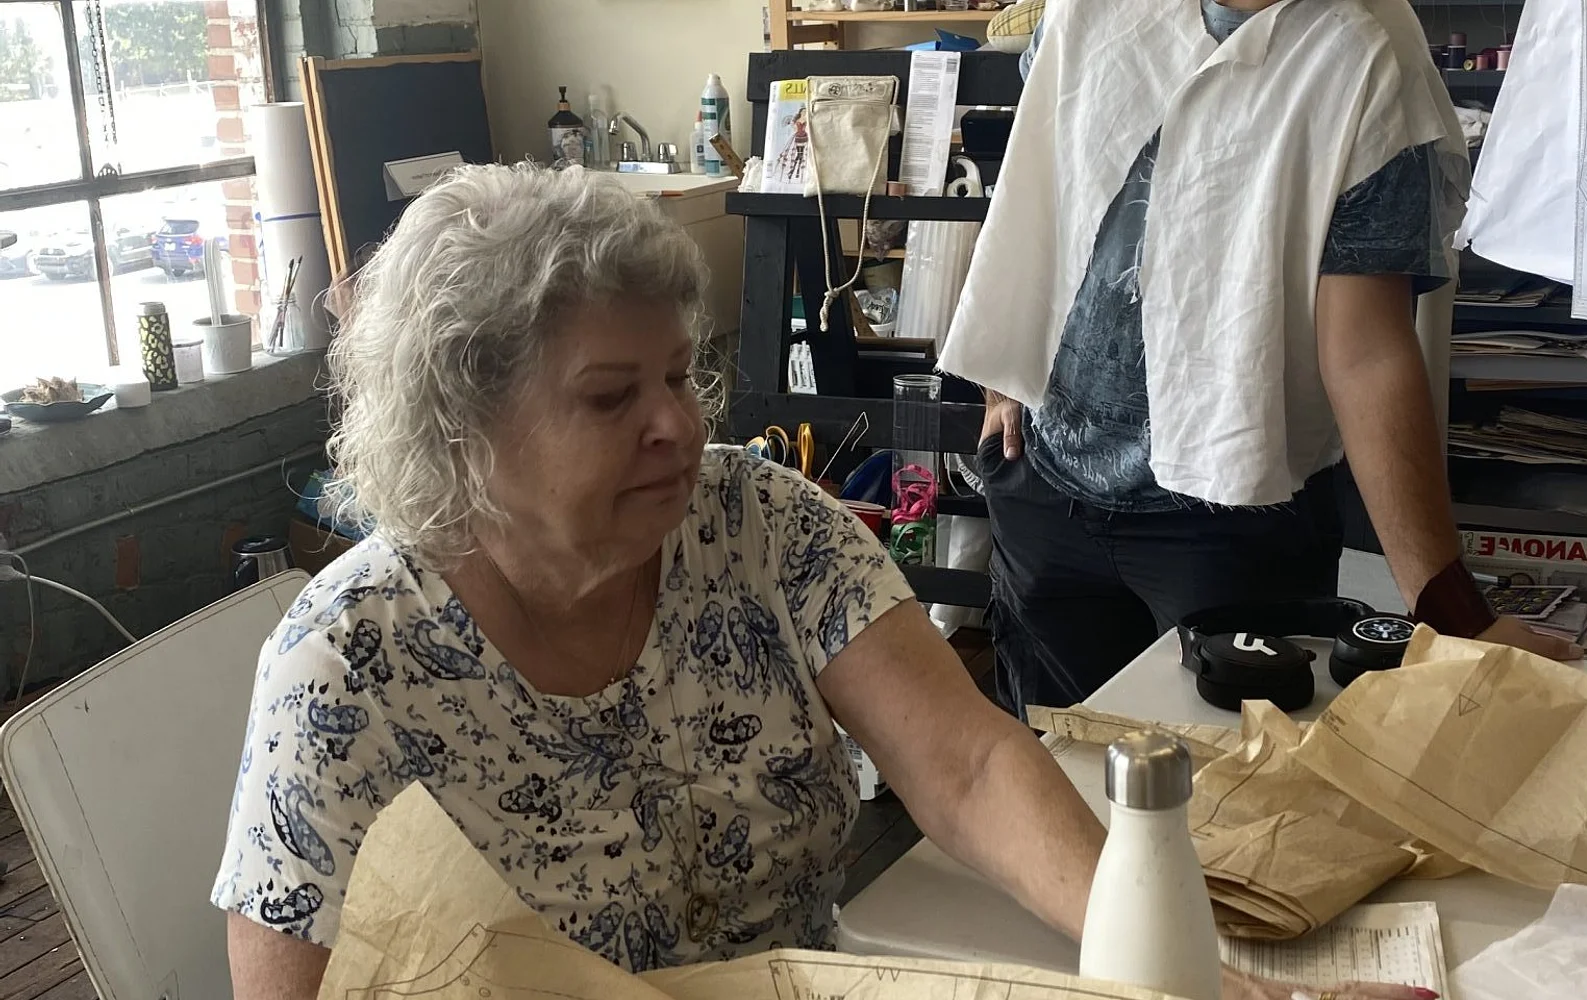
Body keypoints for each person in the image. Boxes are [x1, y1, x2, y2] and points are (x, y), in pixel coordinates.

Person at [210, 164, 1426, 1000]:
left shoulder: (753, 521)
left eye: (678, 377)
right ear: (465, 429)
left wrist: (1182, 969)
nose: (675, 425)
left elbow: (965, 766)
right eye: (611, 396)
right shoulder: (348, 666)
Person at [939, 0, 1581, 715]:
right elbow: (1039, 178)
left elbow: (1366, 352)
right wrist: (1005, 375)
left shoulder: (1368, 59)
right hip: (1045, 485)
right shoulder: (1090, 7)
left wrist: (1456, 615)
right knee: (1056, 764)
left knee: (1233, 771)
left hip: (1230, 516)